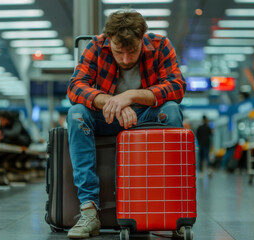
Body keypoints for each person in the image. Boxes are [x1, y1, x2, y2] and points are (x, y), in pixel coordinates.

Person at [66, 10, 186, 239]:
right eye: (119, 52)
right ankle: (89, 211)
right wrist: (113, 102)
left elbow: (177, 87)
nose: (126, 59)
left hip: (145, 118)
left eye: (132, 51)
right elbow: (75, 87)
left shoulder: (161, 45)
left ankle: (173, 211)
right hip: (107, 116)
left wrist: (131, 95)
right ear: (108, 39)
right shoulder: (96, 46)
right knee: (76, 113)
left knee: (171, 110)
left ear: (143, 39)